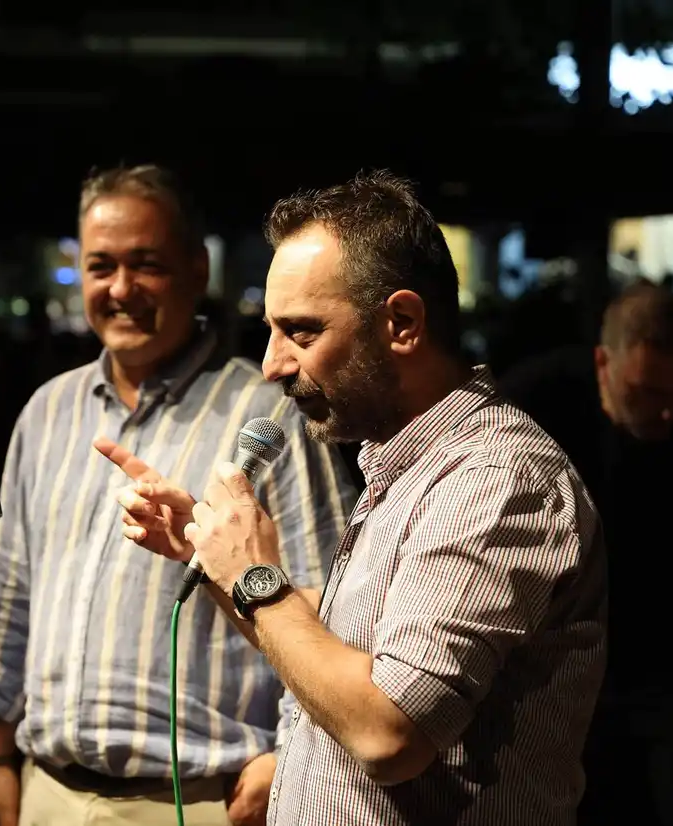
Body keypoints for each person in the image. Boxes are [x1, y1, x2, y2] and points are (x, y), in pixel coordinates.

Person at [102, 170, 607, 825]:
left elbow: (389, 731)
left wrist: (254, 576)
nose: (272, 364)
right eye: (272, 330)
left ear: (402, 323)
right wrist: (218, 561)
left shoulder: (495, 477)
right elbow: (345, 642)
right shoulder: (412, 463)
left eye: (302, 332)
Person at [0, 164, 357, 826]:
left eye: (146, 264)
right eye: (101, 266)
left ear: (197, 270)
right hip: (47, 789)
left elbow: (340, 607)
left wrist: (291, 754)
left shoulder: (270, 416)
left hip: (203, 798)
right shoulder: (47, 411)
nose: (121, 289)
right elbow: (8, 596)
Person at [498, 279, 673, 826]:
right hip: (555, 665)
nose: (667, 413)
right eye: (647, 393)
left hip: (661, 664)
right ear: (604, 362)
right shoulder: (532, 405)